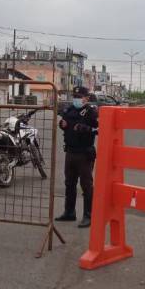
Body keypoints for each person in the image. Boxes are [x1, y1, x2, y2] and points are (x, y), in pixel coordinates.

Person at [56, 86, 98, 228]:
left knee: (86, 186)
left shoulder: (91, 112)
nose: (77, 99)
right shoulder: (69, 110)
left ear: (86, 98)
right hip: (70, 152)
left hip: (84, 153)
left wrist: (87, 129)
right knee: (69, 183)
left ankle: (88, 216)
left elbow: (100, 129)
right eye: (75, 96)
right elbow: (64, 123)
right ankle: (69, 212)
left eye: (80, 96)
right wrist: (62, 125)